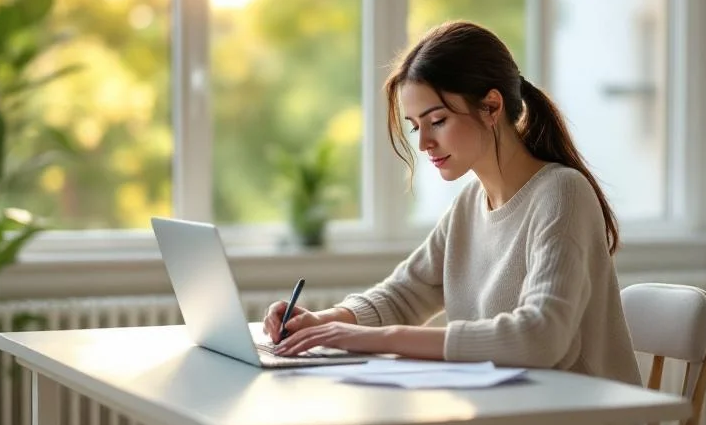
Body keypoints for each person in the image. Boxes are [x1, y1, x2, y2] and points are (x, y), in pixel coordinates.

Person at [263, 20, 641, 385]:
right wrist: (322, 322)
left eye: (438, 120)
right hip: (512, 416)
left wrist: (375, 338)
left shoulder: (562, 193)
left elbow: (540, 337)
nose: (424, 142)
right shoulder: (470, 204)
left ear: (491, 107)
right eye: (415, 126)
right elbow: (404, 294)